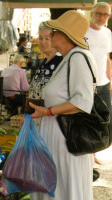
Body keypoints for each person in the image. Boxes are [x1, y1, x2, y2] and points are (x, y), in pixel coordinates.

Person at [29, 10, 97, 200]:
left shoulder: (77, 58)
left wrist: (48, 111)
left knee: (64, 186)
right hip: (58, 133)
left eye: (55, 32)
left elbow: (83, 101)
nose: (51, 36)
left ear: (66, 35)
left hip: (66, 136)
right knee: (58, 185)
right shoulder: (69, 58)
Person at [85, 3, 112, 164]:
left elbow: (107, 57)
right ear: (92, 14)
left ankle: (95, 149)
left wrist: (110, 78)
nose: (101, 17)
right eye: (99, 14)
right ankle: (89, 152)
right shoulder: (83, 32)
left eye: (105, 15)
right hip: (87, 83)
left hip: (103, 83)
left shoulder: (108, 33)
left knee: (104, 117)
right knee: (89, 118)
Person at [28, 22, 62, 99]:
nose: (43, 42)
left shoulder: (60, 62)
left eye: (47, 39)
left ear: (55, 40)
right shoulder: (44, 62)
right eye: (40, 38)